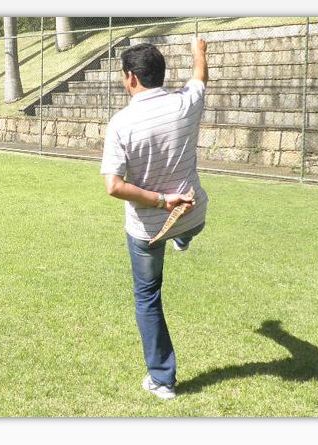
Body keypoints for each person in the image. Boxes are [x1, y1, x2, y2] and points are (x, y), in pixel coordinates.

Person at [100, 38, 210, 400]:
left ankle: (163, 380)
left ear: (131, 78)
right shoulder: (185, 103)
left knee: (147, 296)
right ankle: (182, 237)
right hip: (192, 215)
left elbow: (114, 187)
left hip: (149, 226)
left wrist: (162, 201)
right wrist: (200, 52)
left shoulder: (121, 123)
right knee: (187, 228)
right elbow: (199, 78)